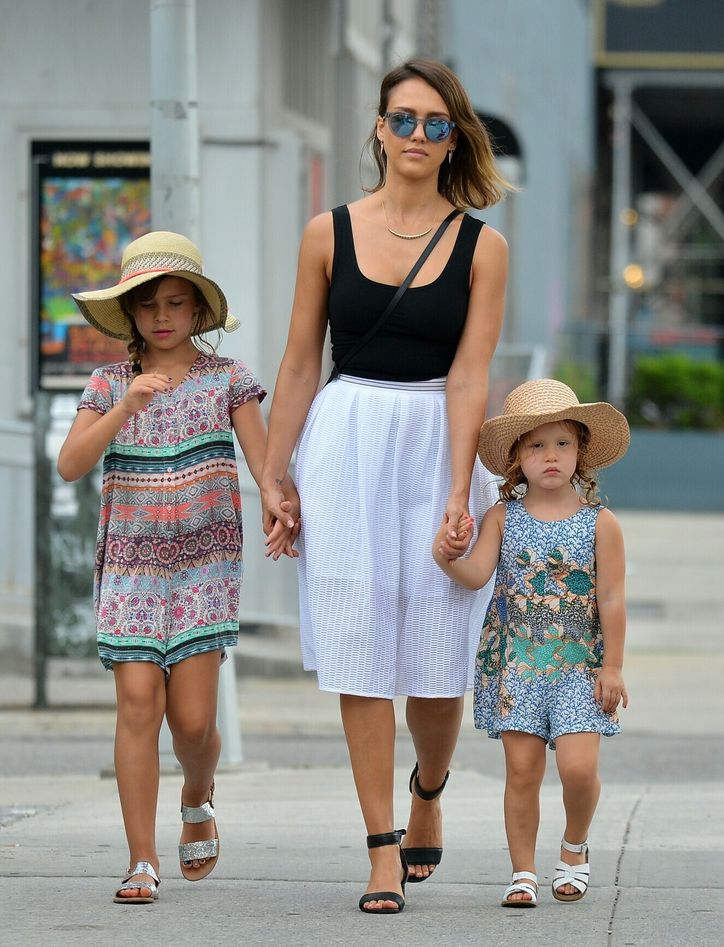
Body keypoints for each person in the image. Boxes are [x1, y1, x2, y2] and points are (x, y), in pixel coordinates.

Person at [260, 59, 510, 914]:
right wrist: (275, 475)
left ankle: (428, 786)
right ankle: (379, 847)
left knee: (440, 657)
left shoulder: (483, 246)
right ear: (378, 127)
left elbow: (472, 374)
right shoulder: (326, 233)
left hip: (439, 439)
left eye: (436, 124)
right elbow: (300, 363)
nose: (416, 135)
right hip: (346, 443)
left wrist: (459, 489)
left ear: (454, 140)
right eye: (403, 119)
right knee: (359, 646)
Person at [58, 231, 294, 904]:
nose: (161, 316)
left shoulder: (228, 378)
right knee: (137, 705)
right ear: (129, 312)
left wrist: (279, 503)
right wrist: (124, 408)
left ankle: (197, 792)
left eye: (175, 302)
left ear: (197, 309)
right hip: (130, 569)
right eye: (147, 303)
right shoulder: (109, 384)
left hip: (203, 567)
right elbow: (70, 464)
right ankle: (141, 859)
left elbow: (263, 463)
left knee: (192, 724)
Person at [432, 378, 630, 908]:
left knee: (578, 769)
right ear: (517, 459)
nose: (551, 456)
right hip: (517, 665)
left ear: (581, 450)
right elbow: (476, 575)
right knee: (522, 771)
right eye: (536, 445)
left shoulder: (601, 523)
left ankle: (574, 847)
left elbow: (612, 599)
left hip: (580, 667)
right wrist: (446, 557)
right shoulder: (503, 518)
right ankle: (523, 871)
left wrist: (613, 667)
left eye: (562, 443)